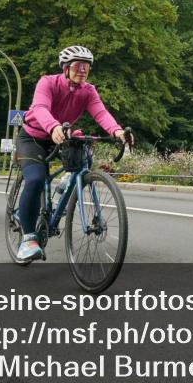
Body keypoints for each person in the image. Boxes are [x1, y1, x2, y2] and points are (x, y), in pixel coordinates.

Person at [14, 45, 133, 262]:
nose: (83, 70)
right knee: (36, 180)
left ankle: (68, 180)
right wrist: (53, 126)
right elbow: (40, 107)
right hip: (33, 137)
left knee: (84, 150)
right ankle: (28, 239)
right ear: (66, 68)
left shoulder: (88, 90)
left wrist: (117, 131)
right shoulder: (47, 82)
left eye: (86, 67)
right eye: (78, 66)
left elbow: (100, 112)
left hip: (63, 135)